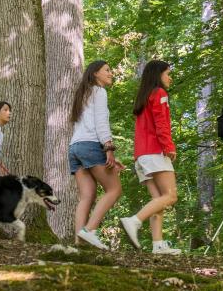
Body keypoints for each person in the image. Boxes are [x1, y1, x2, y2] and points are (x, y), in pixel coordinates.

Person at [120, 60, 180, 255]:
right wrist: (169, 147)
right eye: (167, 73)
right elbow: (161, 123)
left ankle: (158, 244)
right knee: (170, 196)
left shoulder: (144, 97)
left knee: (158, 199)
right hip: (155, 152)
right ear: (158, 75)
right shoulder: (159, 94)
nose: (170, 77)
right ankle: (134, 221)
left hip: (141, 156)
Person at [68, 60, 124, 250]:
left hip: (75, 147)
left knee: (87, 196)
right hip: (91, 145)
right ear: (95, 74)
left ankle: (78, 244)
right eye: (107, 70)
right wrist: (108, 148)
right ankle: (89, 231)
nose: (111, 73)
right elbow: (100, 123)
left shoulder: (82, 94)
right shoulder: (99, 92)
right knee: (114, 190)